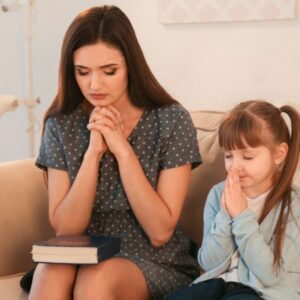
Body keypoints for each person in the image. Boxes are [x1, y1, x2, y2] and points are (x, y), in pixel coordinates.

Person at [27, 5, 201, 300]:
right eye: (82, 72)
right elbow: (66, 230)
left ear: (130, 66)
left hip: (154, 259)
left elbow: (160, 231)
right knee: (49, 269)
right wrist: (93, 154)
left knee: (96, 277)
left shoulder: (171, 120)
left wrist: (122, 151)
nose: (94, 85)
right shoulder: (61, 123)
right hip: (85, 252)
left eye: (109, 71)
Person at [165, 100, 300, 300]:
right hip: (217, 285)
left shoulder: (292, 204)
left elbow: (272, 275)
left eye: (247, 157)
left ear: (279, 154)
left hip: (263, 292)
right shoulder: (217, 194)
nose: (235, 166)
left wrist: (241, 216)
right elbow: (208, 263)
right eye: (229, 155)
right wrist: (225, 215)